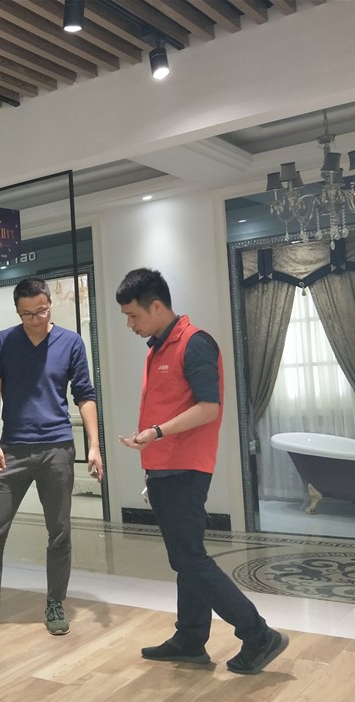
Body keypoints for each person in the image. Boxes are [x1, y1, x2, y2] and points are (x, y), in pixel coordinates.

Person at [115, 267, 289, 674]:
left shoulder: (194, 343)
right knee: (185, 559)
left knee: (190, 559)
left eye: (133, 315)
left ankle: (257, 634)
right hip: (164, 469)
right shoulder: (158, 348)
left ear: (156, 306)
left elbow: (209, 407)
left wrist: (157, 432)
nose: (130, 324)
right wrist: (151, 455)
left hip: (185, 470)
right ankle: (190, 638)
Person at [0, 277, 103, 637]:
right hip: (13, 449)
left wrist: (94, 445)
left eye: (42, 311)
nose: (36, 319)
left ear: (50, 304)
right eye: (28, 314)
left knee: (59, 531)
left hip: (57, 448)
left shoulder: (71, 342)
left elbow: (85, 395)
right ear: (17, 311)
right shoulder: (1, 342)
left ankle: (55, 602)